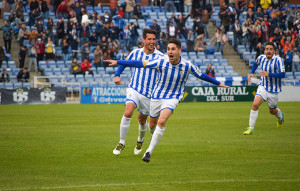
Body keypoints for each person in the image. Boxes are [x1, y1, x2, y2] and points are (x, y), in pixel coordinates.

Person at [104, 38, 229, 162]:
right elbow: (139, 63)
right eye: (168, 49)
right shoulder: (161, 62)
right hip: (157, 96)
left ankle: (148, 152)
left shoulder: (187, 65)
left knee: (162, 121)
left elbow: (202, 75)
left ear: (179, 51)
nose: (170, 52)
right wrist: (119, 62)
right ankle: (148, 138)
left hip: (173, 97)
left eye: (173, 49)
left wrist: (218, 83)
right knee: (152, 124)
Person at [110, 29, 164, 156]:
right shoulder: (136, 53)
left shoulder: (161, 57)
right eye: (149, 39)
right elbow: (125, 63)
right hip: (134, 88)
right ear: (143, 40)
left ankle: (140, 140)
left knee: (142, 120)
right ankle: (121, 142)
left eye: (153, 39)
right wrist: (117, 75)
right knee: (128, 112)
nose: (152, 42)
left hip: (148, 94)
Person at [244, 42, 285, 135]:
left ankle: (280, 116)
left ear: (274, 51)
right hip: (263, 86)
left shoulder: (279, 60)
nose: (268, 51)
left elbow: (283, 74)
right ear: (264, 50)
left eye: (271, 49)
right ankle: (251, 128)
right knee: (255, 104)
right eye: (267, 49)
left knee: (272, 111)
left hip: (274, 90)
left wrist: (269, 74)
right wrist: (251, 72)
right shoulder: (261, 57)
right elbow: (255, 64)